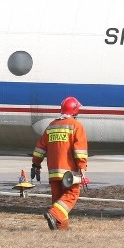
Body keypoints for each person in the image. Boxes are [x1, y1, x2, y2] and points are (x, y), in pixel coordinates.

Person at [30, 96, 88, 231]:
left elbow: (40, 148)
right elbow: (79, 150)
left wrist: (36, 164)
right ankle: (53, 214)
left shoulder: (52, 126)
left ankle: (61, 228)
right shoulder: (76, 126)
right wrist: (82, 167)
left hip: (53, 172)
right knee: (72, 195)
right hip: (69, 172)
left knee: (58, 200)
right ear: (74, 111)